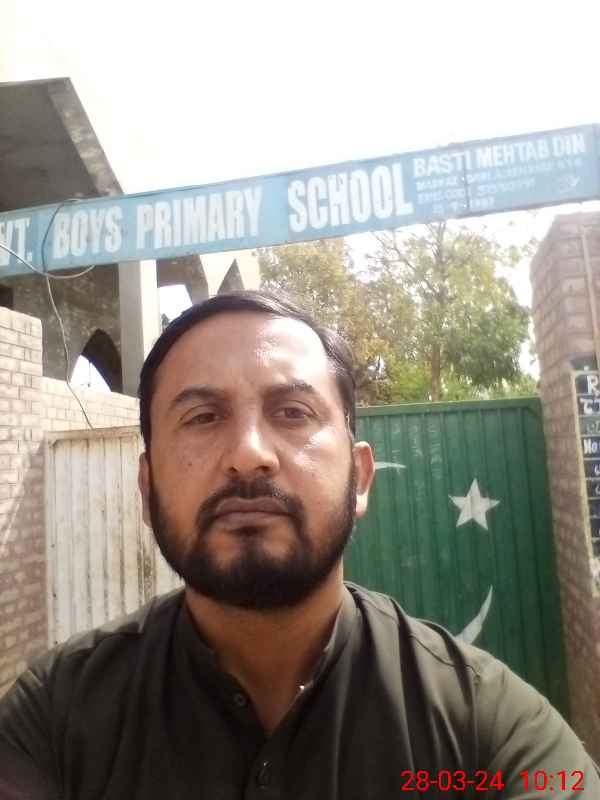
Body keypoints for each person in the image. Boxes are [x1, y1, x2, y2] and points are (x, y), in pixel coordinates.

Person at [0, 290, 598, 799]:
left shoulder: (491, 731)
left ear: (360, 478)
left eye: (291, 412)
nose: (249, 454)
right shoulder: (52, 719)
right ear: (147, 486)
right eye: (203, 417)